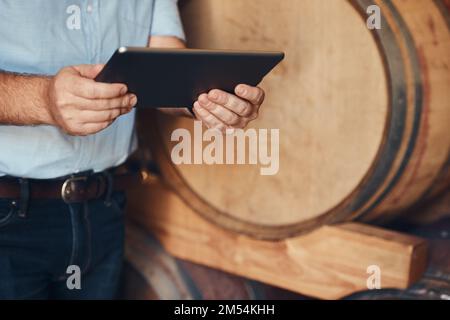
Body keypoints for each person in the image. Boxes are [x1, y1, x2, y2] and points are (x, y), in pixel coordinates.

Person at [0, 0, 265, 299]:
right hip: (10, 216)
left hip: (104, 207)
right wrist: (43, 99)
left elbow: (166, 67)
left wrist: (207, 100)